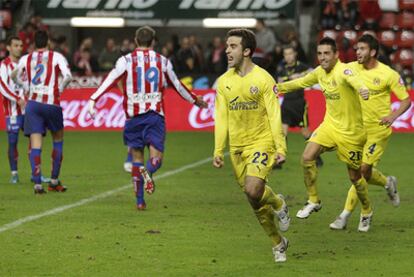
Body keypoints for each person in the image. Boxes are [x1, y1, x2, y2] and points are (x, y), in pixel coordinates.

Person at [88, 26, 207, 210]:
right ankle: (149, 171)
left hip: (133, 118)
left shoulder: (125, 61)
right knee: (156, 158)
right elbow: (177, 85)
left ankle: (140, 202)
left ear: (136, 41)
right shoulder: (163, 61)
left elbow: (109, 80)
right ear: (153, 42)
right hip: (154, 117)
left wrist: (93, 99)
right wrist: (195, 100)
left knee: (136, 158)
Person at [276, 37, 374, 232]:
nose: (322, 57)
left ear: (336, 54)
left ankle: (366, 210)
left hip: (351, 134)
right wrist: (278, 88)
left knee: (355, 177)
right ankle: (313, 200)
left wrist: (362, 89)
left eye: (327, 53)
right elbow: (301, 81)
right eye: (319, 54)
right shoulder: (320, 73)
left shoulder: (344, 70)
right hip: (329, 127)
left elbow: (354, 79)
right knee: (306, 157)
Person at [213, 28, 290, 263]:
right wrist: (218, 150)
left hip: (261, 142)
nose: (227, 50)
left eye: (232, 46)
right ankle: (278, 242)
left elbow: (275, 115)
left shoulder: (263, 79)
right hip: (237, 148)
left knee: (253, 189)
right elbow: (222, 118)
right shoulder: (224, 82)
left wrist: (280, 147)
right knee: (254, 201)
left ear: (246, 51)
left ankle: (278, 202)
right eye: (227, 46)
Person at [329, 34, 412, 230]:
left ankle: (346, 215)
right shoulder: (350, 69)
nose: (358, 52)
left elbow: (406, 100)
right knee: (360, 172)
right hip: (356, 130)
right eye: (357, 48)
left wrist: (392, 116)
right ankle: (387, 182)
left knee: (363, 171)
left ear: (372, 52)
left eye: (362, 49)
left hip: (378, 130)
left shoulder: (388, 74)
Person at [12, 30, 72, 194]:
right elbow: (68, 76)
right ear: (48, 42)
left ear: (33, 44)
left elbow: (14, 75)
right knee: (58, 141)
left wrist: (25, 87)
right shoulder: (57, 56)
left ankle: (37, 184)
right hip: (52, 103)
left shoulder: (26, 58)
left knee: (36, 144)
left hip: (33, 104)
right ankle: (53, 181)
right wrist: (59, 89)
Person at [276, 45, 323, 168]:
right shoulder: (282, 69)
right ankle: (280, 159)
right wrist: (289, 79)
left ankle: (316, 156)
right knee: (282, 132)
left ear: (295, 54)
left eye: (290, 54)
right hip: (286, 103)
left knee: (306, 133)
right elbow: (280, 82)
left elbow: (313, 74)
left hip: (299, 104)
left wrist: (300, 76)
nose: (288, 56)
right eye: (285, 54)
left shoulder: (302, 66)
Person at [0, 36, 25, 183]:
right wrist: (17, 99)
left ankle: (36, 173)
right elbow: (2, 86)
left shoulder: (25, 64)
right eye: (16, 45)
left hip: (28, 110)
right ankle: (14, 173)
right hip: (13, 111)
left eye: (21, 45)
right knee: (12, 142)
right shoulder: (4, 65)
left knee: (35, 139)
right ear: (8, 48)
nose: (19, 48)